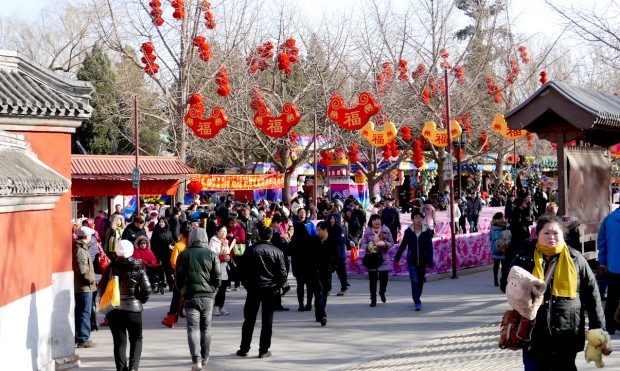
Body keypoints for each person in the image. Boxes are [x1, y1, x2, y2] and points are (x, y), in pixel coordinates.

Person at [510, 215, 605, 370]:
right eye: (546, 233)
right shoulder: (524, 257)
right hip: (533, 331)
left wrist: (598, 332)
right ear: (537, 235)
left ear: (563, 235)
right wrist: (521, 284)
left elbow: (592, 296)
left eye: (556, 233)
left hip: (567, 331)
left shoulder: (576, 259)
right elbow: (506, 286)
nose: (551, 237)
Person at [98, 239, 150, 371]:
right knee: (136, 339)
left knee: (119, 342)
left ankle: (121, 369)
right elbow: (147, 289)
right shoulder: (139, 266)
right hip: (134, 309)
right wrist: (140, 300)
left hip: (115, 310)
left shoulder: (111, 267)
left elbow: (101, 288)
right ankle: (133, 368)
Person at [237, 223, 288, 358]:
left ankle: (244, 348)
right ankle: (263, 349)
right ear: (271, 236)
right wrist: (277, 286)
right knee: (267, 321)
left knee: (249, 320)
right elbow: (283, 274)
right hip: (270, 290)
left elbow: (242, 270)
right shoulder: (277, 252)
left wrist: (247, 284)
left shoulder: (250, 250)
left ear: (259, 236)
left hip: (253, 288)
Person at [175, 228, 222, 371]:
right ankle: (205, 355)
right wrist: (213, 291)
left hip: (190, 296)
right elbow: (218, 278)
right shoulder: (212, 255)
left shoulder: (184, 255)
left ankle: (196, 360)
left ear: (191, 239)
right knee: (206, 327)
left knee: (192, 329)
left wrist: (183, 290)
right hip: (208, 296)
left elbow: (178, 278)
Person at [394, 209, 434, 311]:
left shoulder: (427, 232)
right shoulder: (408, 232)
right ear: (412, 220)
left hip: (423, 260)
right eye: (416, 218)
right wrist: (397, 257)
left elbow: (429, 247)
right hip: (411, 260)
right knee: (414, 280)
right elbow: (403, 245)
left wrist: (430, 260)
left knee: (420, 281)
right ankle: (417, 301)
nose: (418, 219)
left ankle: (417, 296)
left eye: (420, 217)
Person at [162, 221, 193, 328]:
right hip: (192, 275)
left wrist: (179, 270)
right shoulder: (193, 245)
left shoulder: (179, 245)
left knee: (176, 297)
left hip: (180, 275)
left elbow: (173, 262)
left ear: (180, 233)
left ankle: (172, 318)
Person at [362, 214, 395, 307]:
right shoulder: (367, 231)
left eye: (378, 219)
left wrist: (386, 244)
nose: (377, 221)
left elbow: (392, 242)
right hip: (371, 258)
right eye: (375, 220)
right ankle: (373, 299)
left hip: (383, 257)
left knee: (384, 280)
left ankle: (382, 292)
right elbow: (363, 244)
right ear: (371, 222)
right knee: (373, 280)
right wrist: (368, 247)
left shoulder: (386, 230)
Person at [73, 226, 98, 348]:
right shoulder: (81, 250)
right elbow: (84, 271)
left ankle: (81, 336)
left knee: (83, 312)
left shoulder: (81, 249)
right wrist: (93, 280)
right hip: (84, 287)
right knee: (84, 312)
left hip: (84, 287)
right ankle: (83, 338)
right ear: (87, 236)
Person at [598, 207, 620, 335]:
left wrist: (603, 260)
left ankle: (610, 326)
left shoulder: (609, 219)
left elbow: (602, 240)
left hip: (614, 265)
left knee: (612, 297)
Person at [312, 221, 338, 325]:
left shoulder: (332, 241)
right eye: (317, 230)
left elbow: (337, 256)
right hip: (316, 271)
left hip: (327, 271)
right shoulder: (314, 241)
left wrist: (333, 267)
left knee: (325, 293)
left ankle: (319, 314)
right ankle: (322, 315)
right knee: (318, 293)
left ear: (325, 230)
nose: (317, 232)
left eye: (319, 230)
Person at [208, 224, 232, 316]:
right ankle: (214, 307)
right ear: (217, 232)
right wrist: (222, 258)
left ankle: (220, 306)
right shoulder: (213, 241)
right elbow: (211, 256)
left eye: (225, 232)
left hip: (225, 268)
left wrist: (229, 257)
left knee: (223, 288)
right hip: (216, 268)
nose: (223, 233)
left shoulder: (226, 241)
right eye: (222, 231)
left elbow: (228, 252)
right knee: (216, 288)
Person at [150, 217, 175, 291]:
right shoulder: (156, 231)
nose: (161, 223)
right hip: (158, 253)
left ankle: (170, 284)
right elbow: (153, 243)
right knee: (160, 269)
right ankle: (161, 283)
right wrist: (154, 253)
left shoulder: (169, 231)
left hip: (167, 253)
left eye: (163, 222)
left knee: (168, 270)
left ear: (165, 223)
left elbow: (172, 240)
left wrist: (171, 243)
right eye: (160, 222)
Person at [328, 212, 349, 296]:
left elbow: (341, 241)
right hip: (330, 253)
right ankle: (327, 289)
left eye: (333, 218)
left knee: (341, 272)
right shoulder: (329, 228)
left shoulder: (340, 228)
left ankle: (344, 288)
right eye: (331, 218)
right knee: (328, 272)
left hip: (339, 254)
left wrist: (330, 239)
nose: (332, 220)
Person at [489, 212, 508, 287]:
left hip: (494, 247)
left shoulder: (492, 226)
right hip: (503, 246)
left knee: (496, 264)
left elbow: (490, 237)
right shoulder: (505, 226)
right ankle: (502, 280)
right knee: (503, 265)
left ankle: (495, 279)